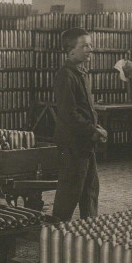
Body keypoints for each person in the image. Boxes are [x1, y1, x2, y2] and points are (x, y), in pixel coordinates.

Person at [52, 28, 107, 221]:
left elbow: (83, 110)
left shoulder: (80, 73)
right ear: (70, 50)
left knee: (90, 190)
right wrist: (92, 131)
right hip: (73, 145)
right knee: (70, 192)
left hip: (85, 143)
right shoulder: (65, 76)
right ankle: (56, 232)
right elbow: (69, 114)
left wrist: (95, 128)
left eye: (90, 45)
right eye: (85, 46)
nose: (90, 49)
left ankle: (89, 228)